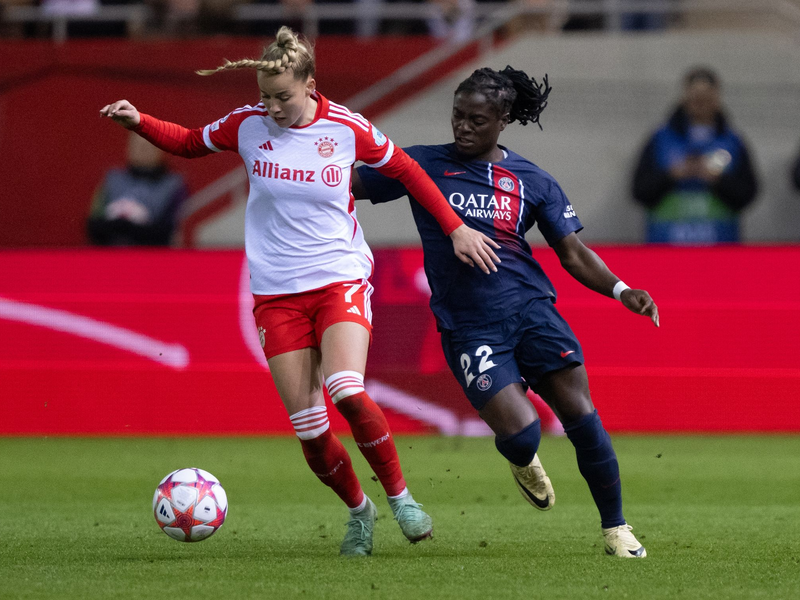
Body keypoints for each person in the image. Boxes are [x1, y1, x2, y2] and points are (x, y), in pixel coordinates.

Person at [100, 26, 500, 557]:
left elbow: (408, 171)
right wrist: (140, 121)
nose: (272, 107)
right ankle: (360, 511)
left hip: (338, 277)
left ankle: (401, 498)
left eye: (282, 97)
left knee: (346, 389)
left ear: (310, 86)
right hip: (276, 294)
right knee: (311, 432)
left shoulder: (347, 128)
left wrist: (455, 228)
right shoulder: (247, 124)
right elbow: (191, 142)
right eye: (265, 96)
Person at [352, 66, 659, 558]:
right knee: (521, 435)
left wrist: (622, 290)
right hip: (469, 325)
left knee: (582, 417)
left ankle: (616, 529)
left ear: (503, 120)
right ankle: (522, 459)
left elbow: (573, 253)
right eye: (458, 115)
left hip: (532, 311)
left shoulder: (533, 179)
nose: (463, 127)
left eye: (477, 120)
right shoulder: (421, 165)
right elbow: (345, 184)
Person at [632, 67, 758, 244]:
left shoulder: (733, 142)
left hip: (721, 245)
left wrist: (717, 180)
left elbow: (748, 193)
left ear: (716, 99)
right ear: (685, 98)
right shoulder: (660, 140)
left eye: (706, 98)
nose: (700, 104)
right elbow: (639, 190)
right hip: (666, 245)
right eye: (695, 98)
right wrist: (672, 175)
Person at [87, 132, 188, 246]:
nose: (143, 150)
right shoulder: (111, 180)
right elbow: (94, 224)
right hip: (111, 252)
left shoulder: (174, 185)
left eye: (149, 145)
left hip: (153, 253)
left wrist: (136, 229)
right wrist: (120, 225)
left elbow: (174, 229)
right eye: (138, 145)